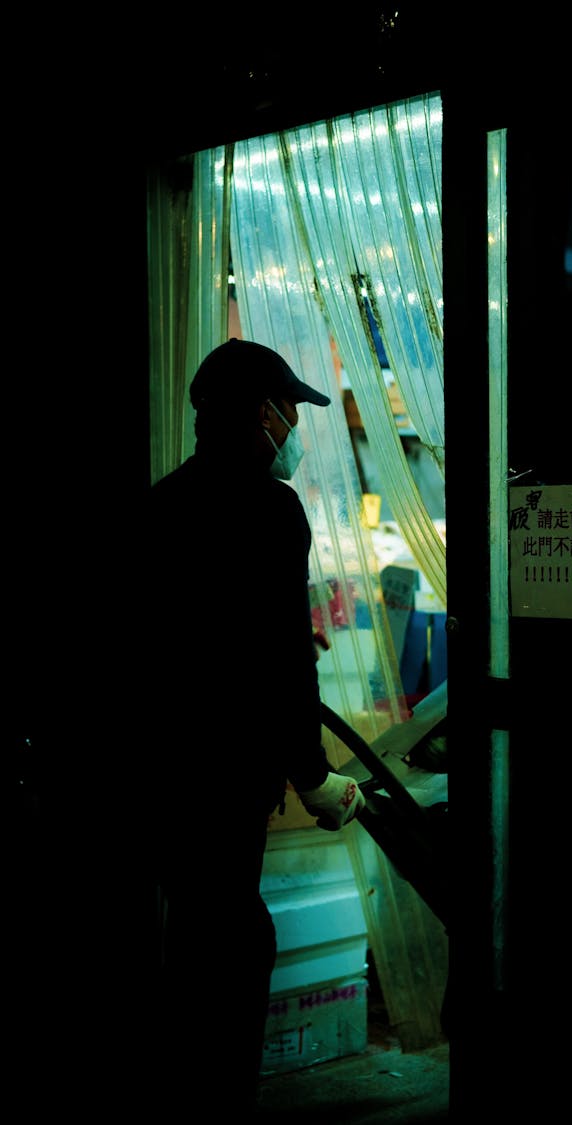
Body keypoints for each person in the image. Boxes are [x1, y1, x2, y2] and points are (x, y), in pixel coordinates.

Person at [139, 338, 366, 1117]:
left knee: (195, 940)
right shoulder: (271, 510)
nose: (295, 426)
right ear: (262, 415)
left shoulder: (159, 504)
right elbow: (277, 659)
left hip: (162, 777)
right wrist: (313, 775)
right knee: (235, 948)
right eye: (292, 411)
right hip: (228, 781)